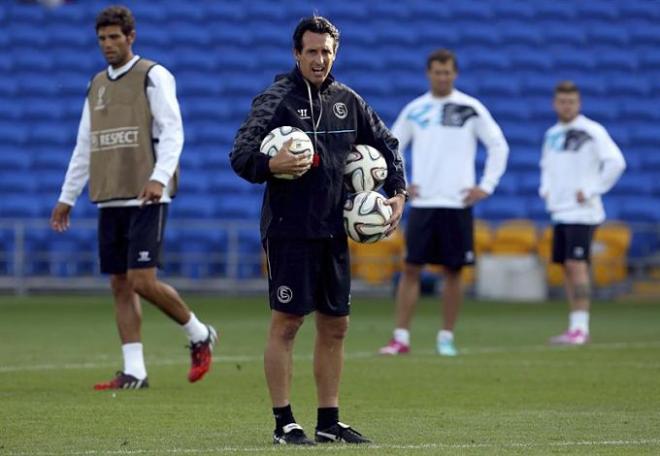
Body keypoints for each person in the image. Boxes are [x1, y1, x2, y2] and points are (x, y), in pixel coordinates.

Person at [231, 16, 407, 445]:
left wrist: (398, 191)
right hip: (289, 229)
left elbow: (388, 145)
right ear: (297, 53)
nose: (320, 59)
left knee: (337, 325)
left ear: (335, 53)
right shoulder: (276, 99)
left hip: (334, 229)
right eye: (311, 51)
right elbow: (240, 154)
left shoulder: (347, 100)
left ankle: (329, 422)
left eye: (327, 51)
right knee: (288, 323)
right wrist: (270, 164)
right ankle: (284, 423)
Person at [50, 5, 217, 390]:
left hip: (146, 196)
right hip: (110, 194)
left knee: (143, 280)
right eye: (102, 39)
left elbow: (174, 132)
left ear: (131, 37)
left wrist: (159, 178)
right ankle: (135, 372)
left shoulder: (153, 75)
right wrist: (67, 196)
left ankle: (198, 333)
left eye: (114, 37)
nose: (108, 45)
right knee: (120, 285)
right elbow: (83, 145)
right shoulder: (97, 84)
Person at [379, 49, 509, 357]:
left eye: (447, 72)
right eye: (437, 72)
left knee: (453, 271)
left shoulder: (469, 108)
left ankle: (446, 337)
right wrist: (400, 184)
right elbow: (391, 147)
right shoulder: (416, 110)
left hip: (457, 203)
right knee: (411, 268)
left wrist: (486, 185)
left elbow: (498, 145)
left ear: (455, 74)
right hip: (423, 204)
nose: (442, 76)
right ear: (428, 73)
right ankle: (400, 337)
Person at [541, 81, 625, 345]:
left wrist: (592, 189)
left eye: (571, 102)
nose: (567, 106)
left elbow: (616, 162)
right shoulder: (552, 133)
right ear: (555, 103)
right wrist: (546, 190)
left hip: (583, 213)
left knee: (577, 266)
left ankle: (581, 327)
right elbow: (547, 166)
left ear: (579, 104)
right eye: (562, 101)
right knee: (567, 266)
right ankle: (573, 325)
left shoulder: (592, 130)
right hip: (561, 212)